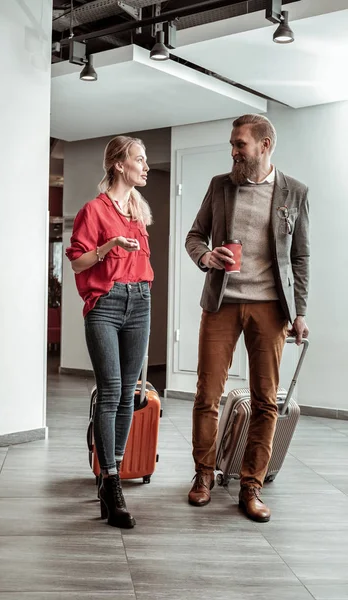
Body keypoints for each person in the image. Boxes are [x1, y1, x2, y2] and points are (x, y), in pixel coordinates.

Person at [185, 114, 309, 522]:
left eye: (240, 144)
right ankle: (204, 474)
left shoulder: (294, 193)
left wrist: (300, 312)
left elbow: (299, 257)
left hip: (271, 308)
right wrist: (206, 256)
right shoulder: (221, 186)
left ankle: (251, 485)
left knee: (265, 401)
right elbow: (194, 235)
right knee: (207, 395)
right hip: (221, 303)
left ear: (264, 145)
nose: (234, 151)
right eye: (233, 144)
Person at [66, 135, 153, 529]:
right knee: (112, 390)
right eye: (139, 159)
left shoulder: (137, 211)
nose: (145, 165)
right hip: (105, 304)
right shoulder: (93, 210)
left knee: (130, 394)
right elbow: (78, 264)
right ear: (119, 164)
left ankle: (109, 477)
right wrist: (108, 246)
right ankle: (112, 481)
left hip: (140, 303)